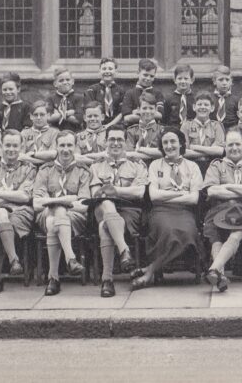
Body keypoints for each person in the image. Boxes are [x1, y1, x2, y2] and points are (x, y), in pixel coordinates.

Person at [132, 127, 203, 290]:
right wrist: (182, 193)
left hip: (185, 212)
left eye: (173, 141)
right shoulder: (155, 165)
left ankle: (149, 270)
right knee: (169, 232)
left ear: (181, 143)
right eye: (165, 142)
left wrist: (167, 194)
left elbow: (194, 199)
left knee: (188, 234)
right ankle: (150, 272)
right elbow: (154, 196)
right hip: (160, 211)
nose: (169, 146)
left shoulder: (192, 166)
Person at [88, 126, 148, 298]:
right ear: (105, 142)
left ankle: (107, 280)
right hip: (100, 209)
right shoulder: (96, 166)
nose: (115, 143)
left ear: (126, 142)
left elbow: (139, 192)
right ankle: (124, 250)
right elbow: (96, 193)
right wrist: (123, 192)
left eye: (120, 139)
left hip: (129, 210)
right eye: (112, 139)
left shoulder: (137, 164)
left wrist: (113, 190)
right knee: (106, 203)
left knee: (105, 227)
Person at [202, 129, 242, 291]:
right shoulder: (216, 165)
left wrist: (227, 186)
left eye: (237, 144)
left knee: (237, 233)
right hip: (218, 210)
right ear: (225, 146)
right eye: (230, 145)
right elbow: (212, 191)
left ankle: (214, 270)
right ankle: (219, 274)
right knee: (215, 237)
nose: (234, 148)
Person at [32, 131, 90, 296]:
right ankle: (70, 258)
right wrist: (68, 200)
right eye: (62, 145)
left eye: (69, 145)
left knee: (55, 219)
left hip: (74, 218)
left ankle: (53, 278)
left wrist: (54, 202)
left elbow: (84, 205)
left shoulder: (83, 171)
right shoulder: (45, 170)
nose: (65, 149)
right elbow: (36, 204)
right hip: (45, 215)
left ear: (75, 147)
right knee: (55, 215)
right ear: (56, 147)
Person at [0, 130, 37, 295]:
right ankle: (14, 261)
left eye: (15, 145)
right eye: (7, 145)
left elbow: (25, 197)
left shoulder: (29, 169)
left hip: (21, 213)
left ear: (21, 147)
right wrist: (12, 198)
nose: (11, 149)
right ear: (1, 146)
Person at [181, 91, 226, 168]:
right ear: (194, 107)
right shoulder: (186, 126)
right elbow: (183, 152)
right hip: (190, 165)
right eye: (199, 104)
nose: (202, 107)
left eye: (206, 105)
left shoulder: (217, 126)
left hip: (212, 166)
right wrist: (209, 151)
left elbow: (219, 151)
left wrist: (194, 147)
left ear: (212, 108)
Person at [120, 59, 164, 126]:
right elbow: (127, 118)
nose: (148, 78)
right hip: (134, 127)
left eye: (151, 76)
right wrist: (152, 113)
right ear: (138, 73)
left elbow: (160, 115)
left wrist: (138, 112)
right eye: (145, 75)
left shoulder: (158, 93)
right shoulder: (129, 93)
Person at [85, 57, 125, 128]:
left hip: (116, 126)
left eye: (110, 69)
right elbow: (90, 111)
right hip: (97, 126)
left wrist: (109, 125)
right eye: (104, 69)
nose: (107, 71)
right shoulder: (92, 90)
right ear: (99, 71)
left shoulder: (121, 90)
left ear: (116, 71)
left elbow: (122, 112)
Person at [126, 91, 163, 161]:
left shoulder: (162, 131)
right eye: (144, 108)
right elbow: (129, 154)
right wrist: (153, 153)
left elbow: (164, 153)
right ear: (138, 110)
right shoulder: (131, 131)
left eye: (151, 108)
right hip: (136, 165)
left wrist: (140, 149)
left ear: (156, 110)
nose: (148, 111)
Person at [48, 67, 87, 132]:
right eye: (61, 80)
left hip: (75, 132)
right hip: (55, 133)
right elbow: (48, 118)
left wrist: (58, 114)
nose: (65, 82)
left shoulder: (80, 98)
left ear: (73, 81)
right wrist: (69, 113)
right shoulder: (50, 98)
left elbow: (78, 120)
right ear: (55, 84)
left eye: (68, 80)